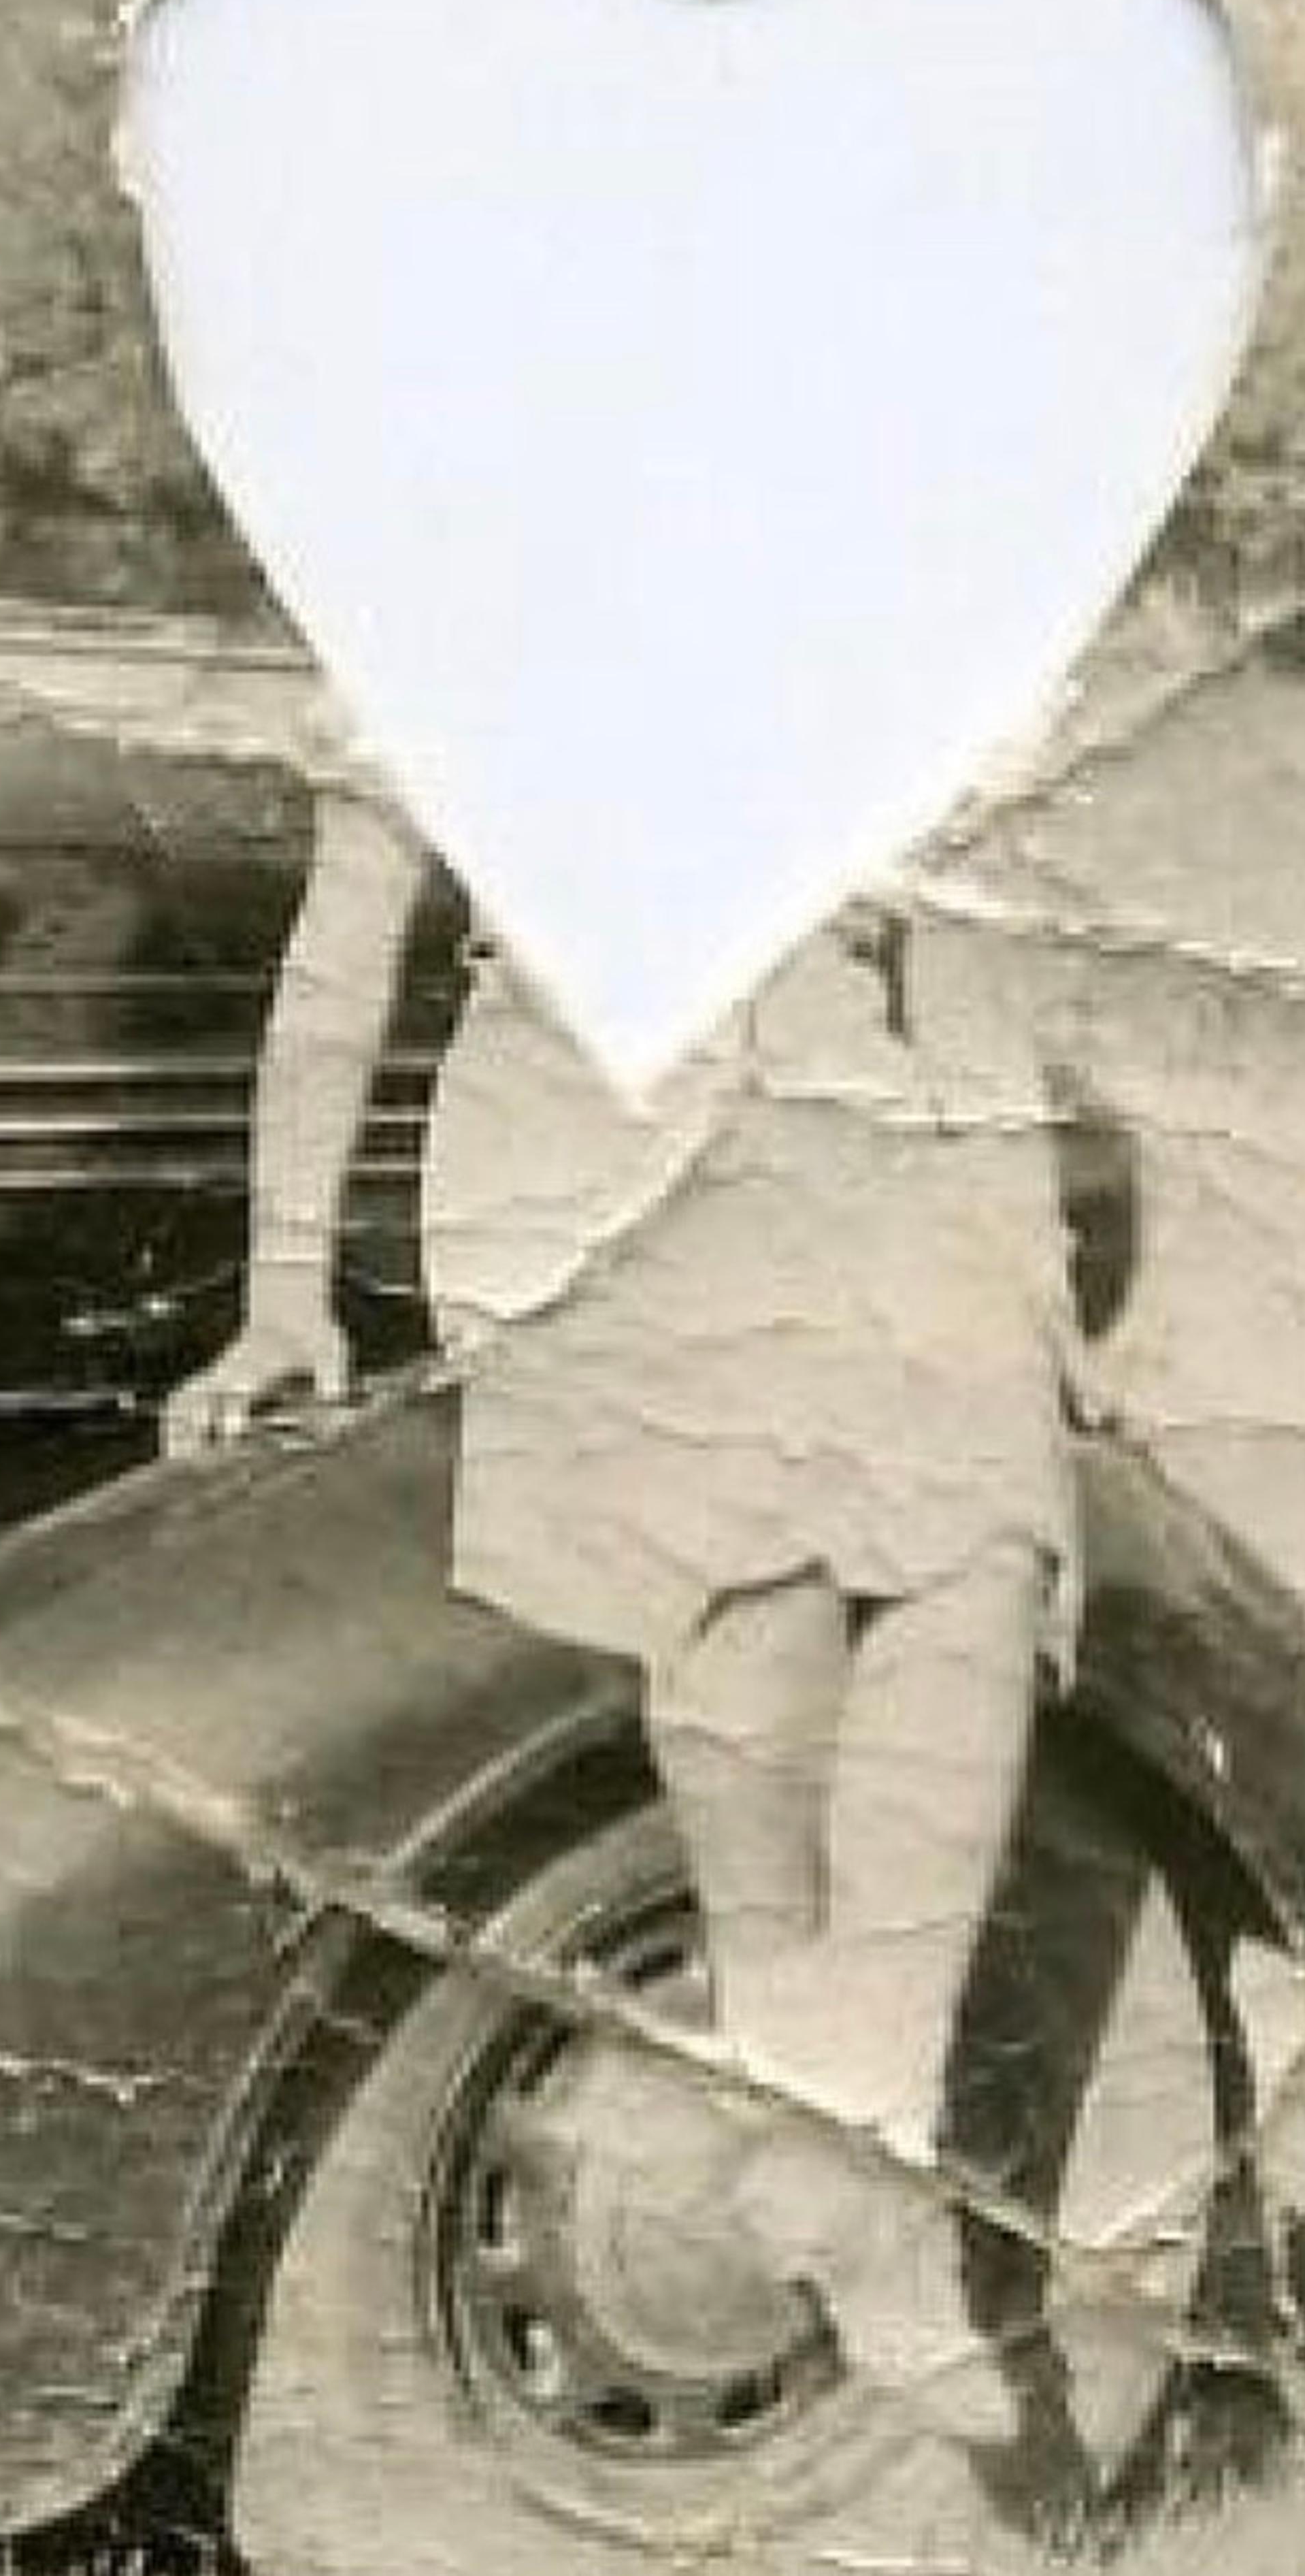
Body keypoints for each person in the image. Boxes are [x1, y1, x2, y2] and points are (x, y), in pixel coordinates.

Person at [163, 752, 1087, 2444]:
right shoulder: (433, 574)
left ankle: (855, 2119)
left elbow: (969, 945)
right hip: (594, 1156)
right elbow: (341, 947)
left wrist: (1033, 1265)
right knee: (766, 1603)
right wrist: (285, 1287)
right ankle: (837, 2135)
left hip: (877, 1132)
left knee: (989, 1554)